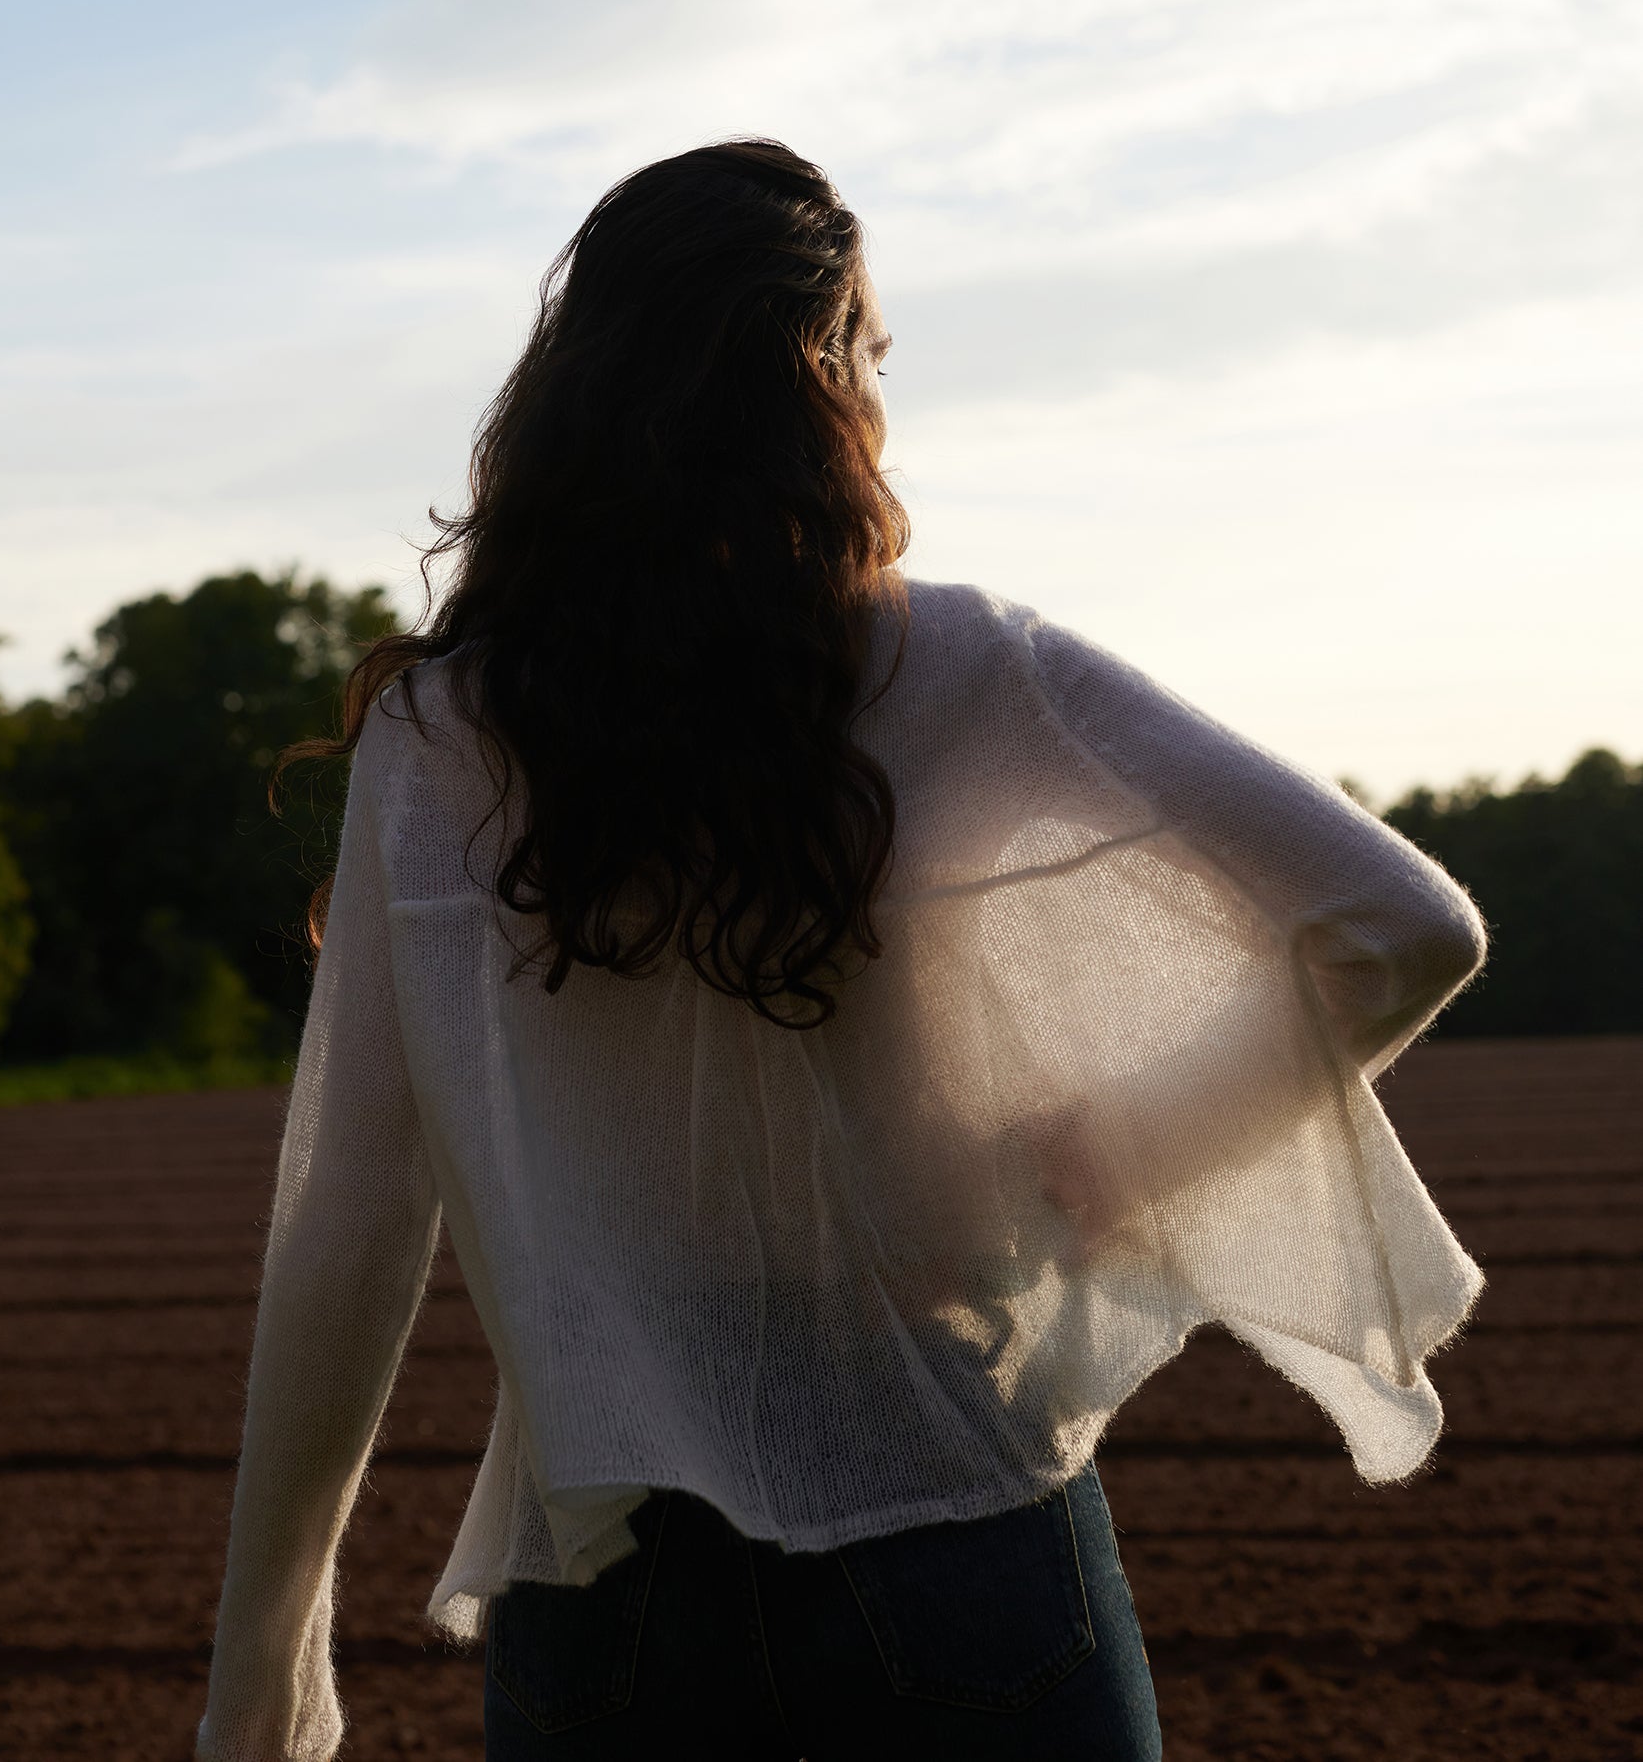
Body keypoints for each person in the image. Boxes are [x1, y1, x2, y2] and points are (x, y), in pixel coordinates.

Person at [196, 140, 1486, 1762]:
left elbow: (352, 1220)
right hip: (959, 1516)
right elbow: (1402, 928)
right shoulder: (956, 663)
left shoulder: (441, 736)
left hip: (609, 1584)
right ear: (824, 373)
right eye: (872, 347)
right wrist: (1117, 1145)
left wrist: (272, 1646)